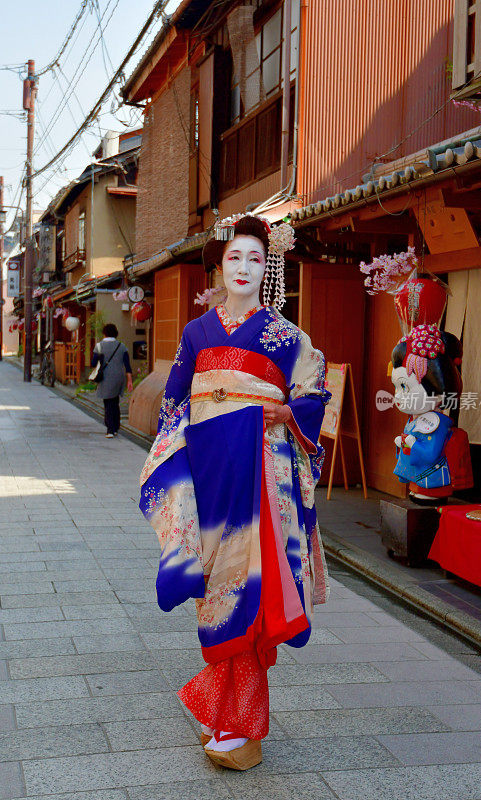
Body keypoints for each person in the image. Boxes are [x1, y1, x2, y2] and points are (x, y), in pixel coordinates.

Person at [139, 215, 330, 770]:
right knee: (214, 594)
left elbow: (314, 397)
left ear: (266, 267)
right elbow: (175, 405)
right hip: (210, 479)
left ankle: (241, 726)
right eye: (233, 258)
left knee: (250, 594)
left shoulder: (287, 336)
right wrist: (177, 464)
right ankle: (219, 711)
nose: (243, 268)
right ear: (219, 267)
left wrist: (286, 410)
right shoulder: (198, 332)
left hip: (263, 483)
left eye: (254, 258)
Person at [91, 323, 133, 438]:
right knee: (114, 401)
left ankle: (110, 429)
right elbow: (127, 365)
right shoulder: (122, 346)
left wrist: (100, 358)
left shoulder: (99, 346)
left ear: (104, 333)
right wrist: (129, 381)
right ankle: (115, 427)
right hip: (119, 377)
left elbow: (93, 363)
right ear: (116, 333)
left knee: (108, 403)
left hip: (106, 377)